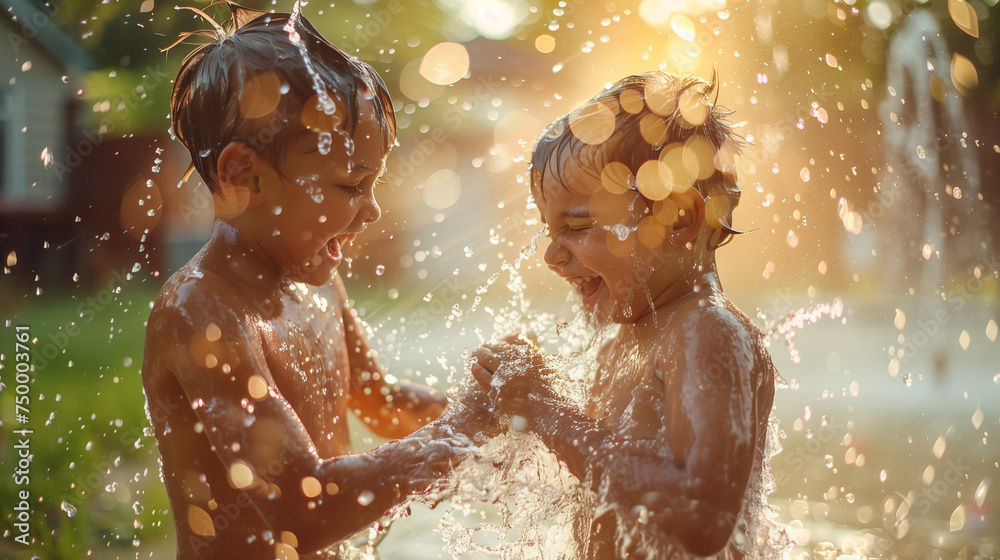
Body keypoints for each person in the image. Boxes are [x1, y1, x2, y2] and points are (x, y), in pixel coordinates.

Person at [141, 5, 483, 558]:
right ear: (241, 176)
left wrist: (494, 410)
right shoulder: (201, 310)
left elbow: (385, 405)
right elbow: (302, 511)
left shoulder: (321, 288)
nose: (371, 210)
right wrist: (451, 436)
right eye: (350, 185)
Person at [469, 72, 784, 558]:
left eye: (576, 226)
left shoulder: (706, 332)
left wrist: (544, 409)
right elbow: (599, 466)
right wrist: (511, 413)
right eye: (549, 231)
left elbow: (703, 517)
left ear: (676, 219)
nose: (551, 255)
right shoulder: (625, 343)